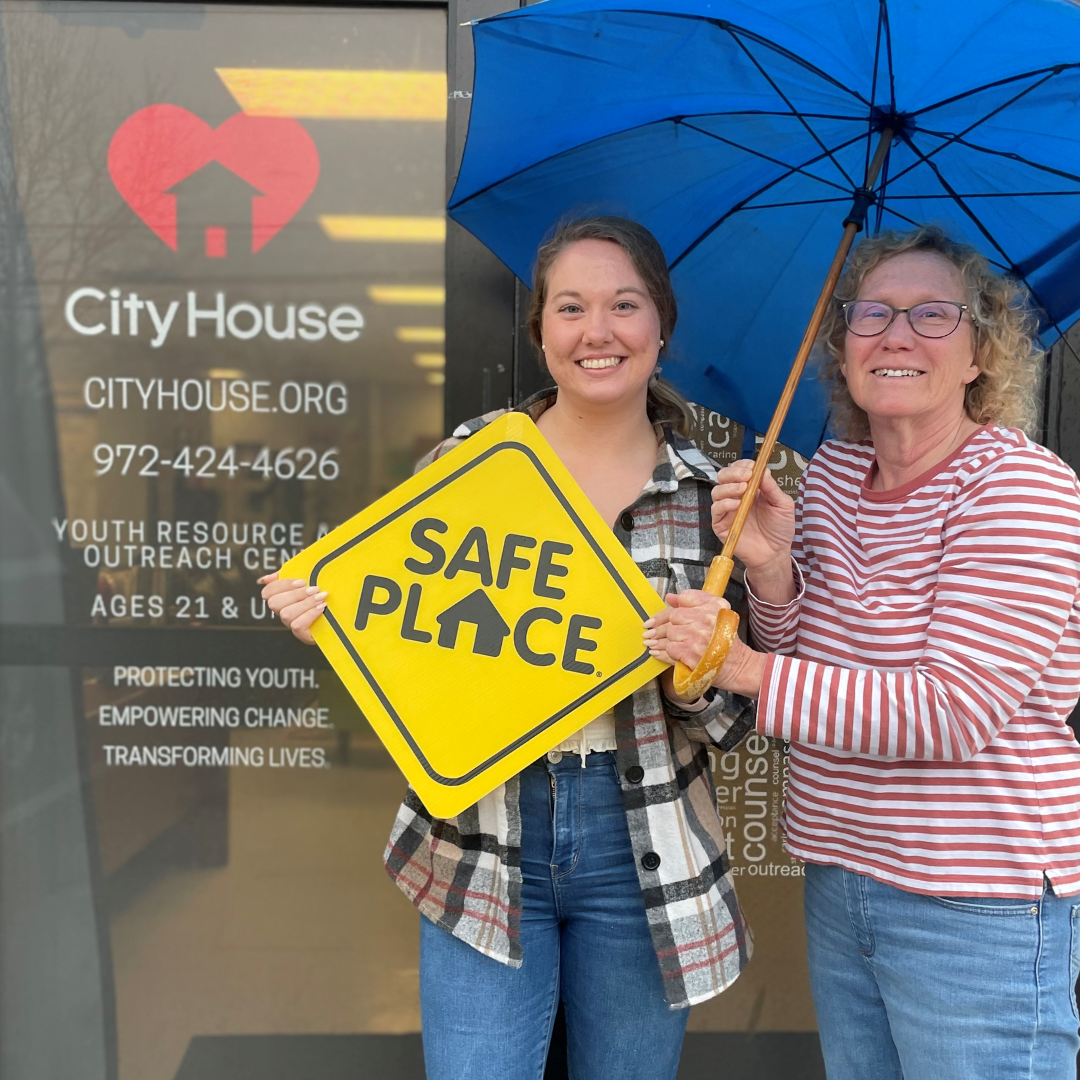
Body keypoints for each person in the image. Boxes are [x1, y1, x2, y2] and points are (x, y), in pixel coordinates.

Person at [260, 217, 754, 1079]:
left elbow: (730, 724)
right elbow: (411, 629)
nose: (596, 331)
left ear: (661, 327)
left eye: (624, 305)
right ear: (541, 334)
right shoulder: (474, 459)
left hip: (641, 846)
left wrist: (692, 674)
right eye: (571, 307)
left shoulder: (711, 502)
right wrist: (335, 623)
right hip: (482, 835)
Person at [646, 224, 1080, 1080]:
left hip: (974, 903)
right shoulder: (838, 474)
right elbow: (808, 666)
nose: (895, 334)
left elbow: (952, 711)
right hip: (843, 877)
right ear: (841, 348)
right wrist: (772, 574)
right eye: (870, 313)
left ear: (980, 356)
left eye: (932, 316)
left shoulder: (1018, 487)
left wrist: (741, 669)